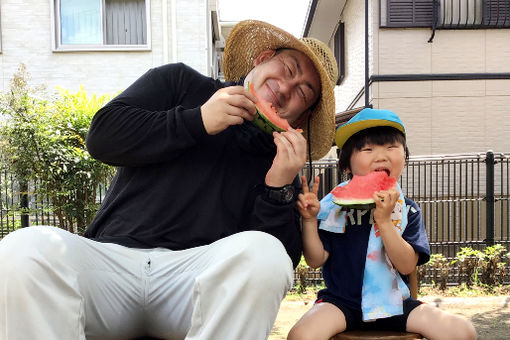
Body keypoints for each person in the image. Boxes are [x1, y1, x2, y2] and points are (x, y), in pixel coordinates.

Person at [0, 20, 338, 340]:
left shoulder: (282, 161)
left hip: (193, 286)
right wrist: (197, 120)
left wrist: (277, 186)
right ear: (263, 59)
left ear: (302, 116)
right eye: (289, 69)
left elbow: (274, 268)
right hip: (110, 268)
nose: (288, 87)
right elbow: (102, 136)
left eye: (303, 93)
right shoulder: (181, 83)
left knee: (266, 254)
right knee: (24, 250)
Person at [287, 108, 477, 340]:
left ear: (404, 158)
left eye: (391, 147)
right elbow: (316, 261)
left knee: (463, 332)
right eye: (367, 149)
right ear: (347, 165)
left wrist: (385, 221)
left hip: (395, 304)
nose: (381, 156)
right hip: (340, 303)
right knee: (301, 336)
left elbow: (407, 266)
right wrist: (308, 221)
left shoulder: (407, 210)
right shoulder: (332, 208)